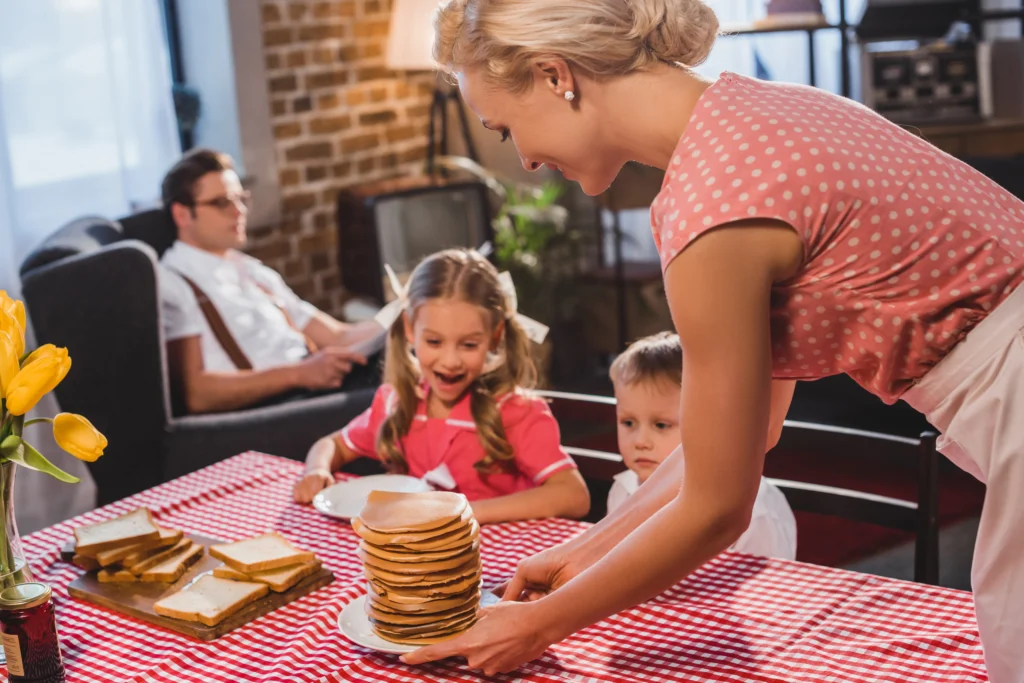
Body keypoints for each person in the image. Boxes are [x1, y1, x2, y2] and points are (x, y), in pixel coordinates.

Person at [401, 1, 1024, 680]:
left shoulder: (712, 208)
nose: (522, 156)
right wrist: (590, 548)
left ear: (556, 75)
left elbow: (719, 505)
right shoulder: (761, 112)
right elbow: (741, 431)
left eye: (505, 127)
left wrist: (536, 625)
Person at [292, 249, 591, 524]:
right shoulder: (396, 402)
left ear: (495, 336)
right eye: (434, 341)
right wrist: (316, 470)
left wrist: (465, 513)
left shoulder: (515, 411)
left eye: (469, 344)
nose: (450, 361)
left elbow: (574, 495)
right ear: (410, 330)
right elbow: (331, 445)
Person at [159, 148, 383, 414]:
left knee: (412, 366)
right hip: (270, 410)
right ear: (182, 214)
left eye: (241, 199)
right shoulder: (172, 282)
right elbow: (196, 394)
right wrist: (298, 374)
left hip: (314, 387)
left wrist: (401, 322)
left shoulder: (252, 270)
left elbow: (337, 335)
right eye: (222, 203)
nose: (239, 211)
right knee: (395, 398)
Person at [608, 332, 796, 559]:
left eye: (661, 425)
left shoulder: (752, 509)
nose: (640, 441)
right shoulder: (624, 490)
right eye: (628, 422)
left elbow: (765, 588)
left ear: (711, 421)